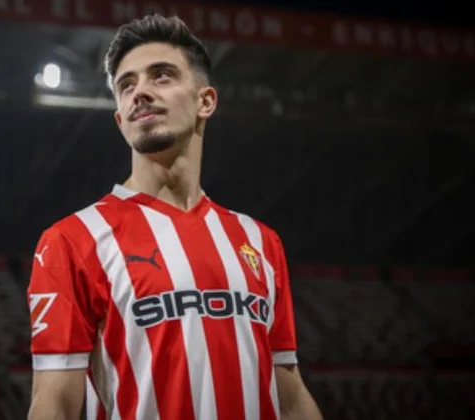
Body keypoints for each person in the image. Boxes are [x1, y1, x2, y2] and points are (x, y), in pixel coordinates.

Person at [26, 13, 323, 420]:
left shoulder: (259, 241)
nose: (140, 92)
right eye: (126, 85)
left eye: (161, 76)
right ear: (120, 120)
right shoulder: (72, 240)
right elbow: (54, 405)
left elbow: (290, 396)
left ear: (206, 101)